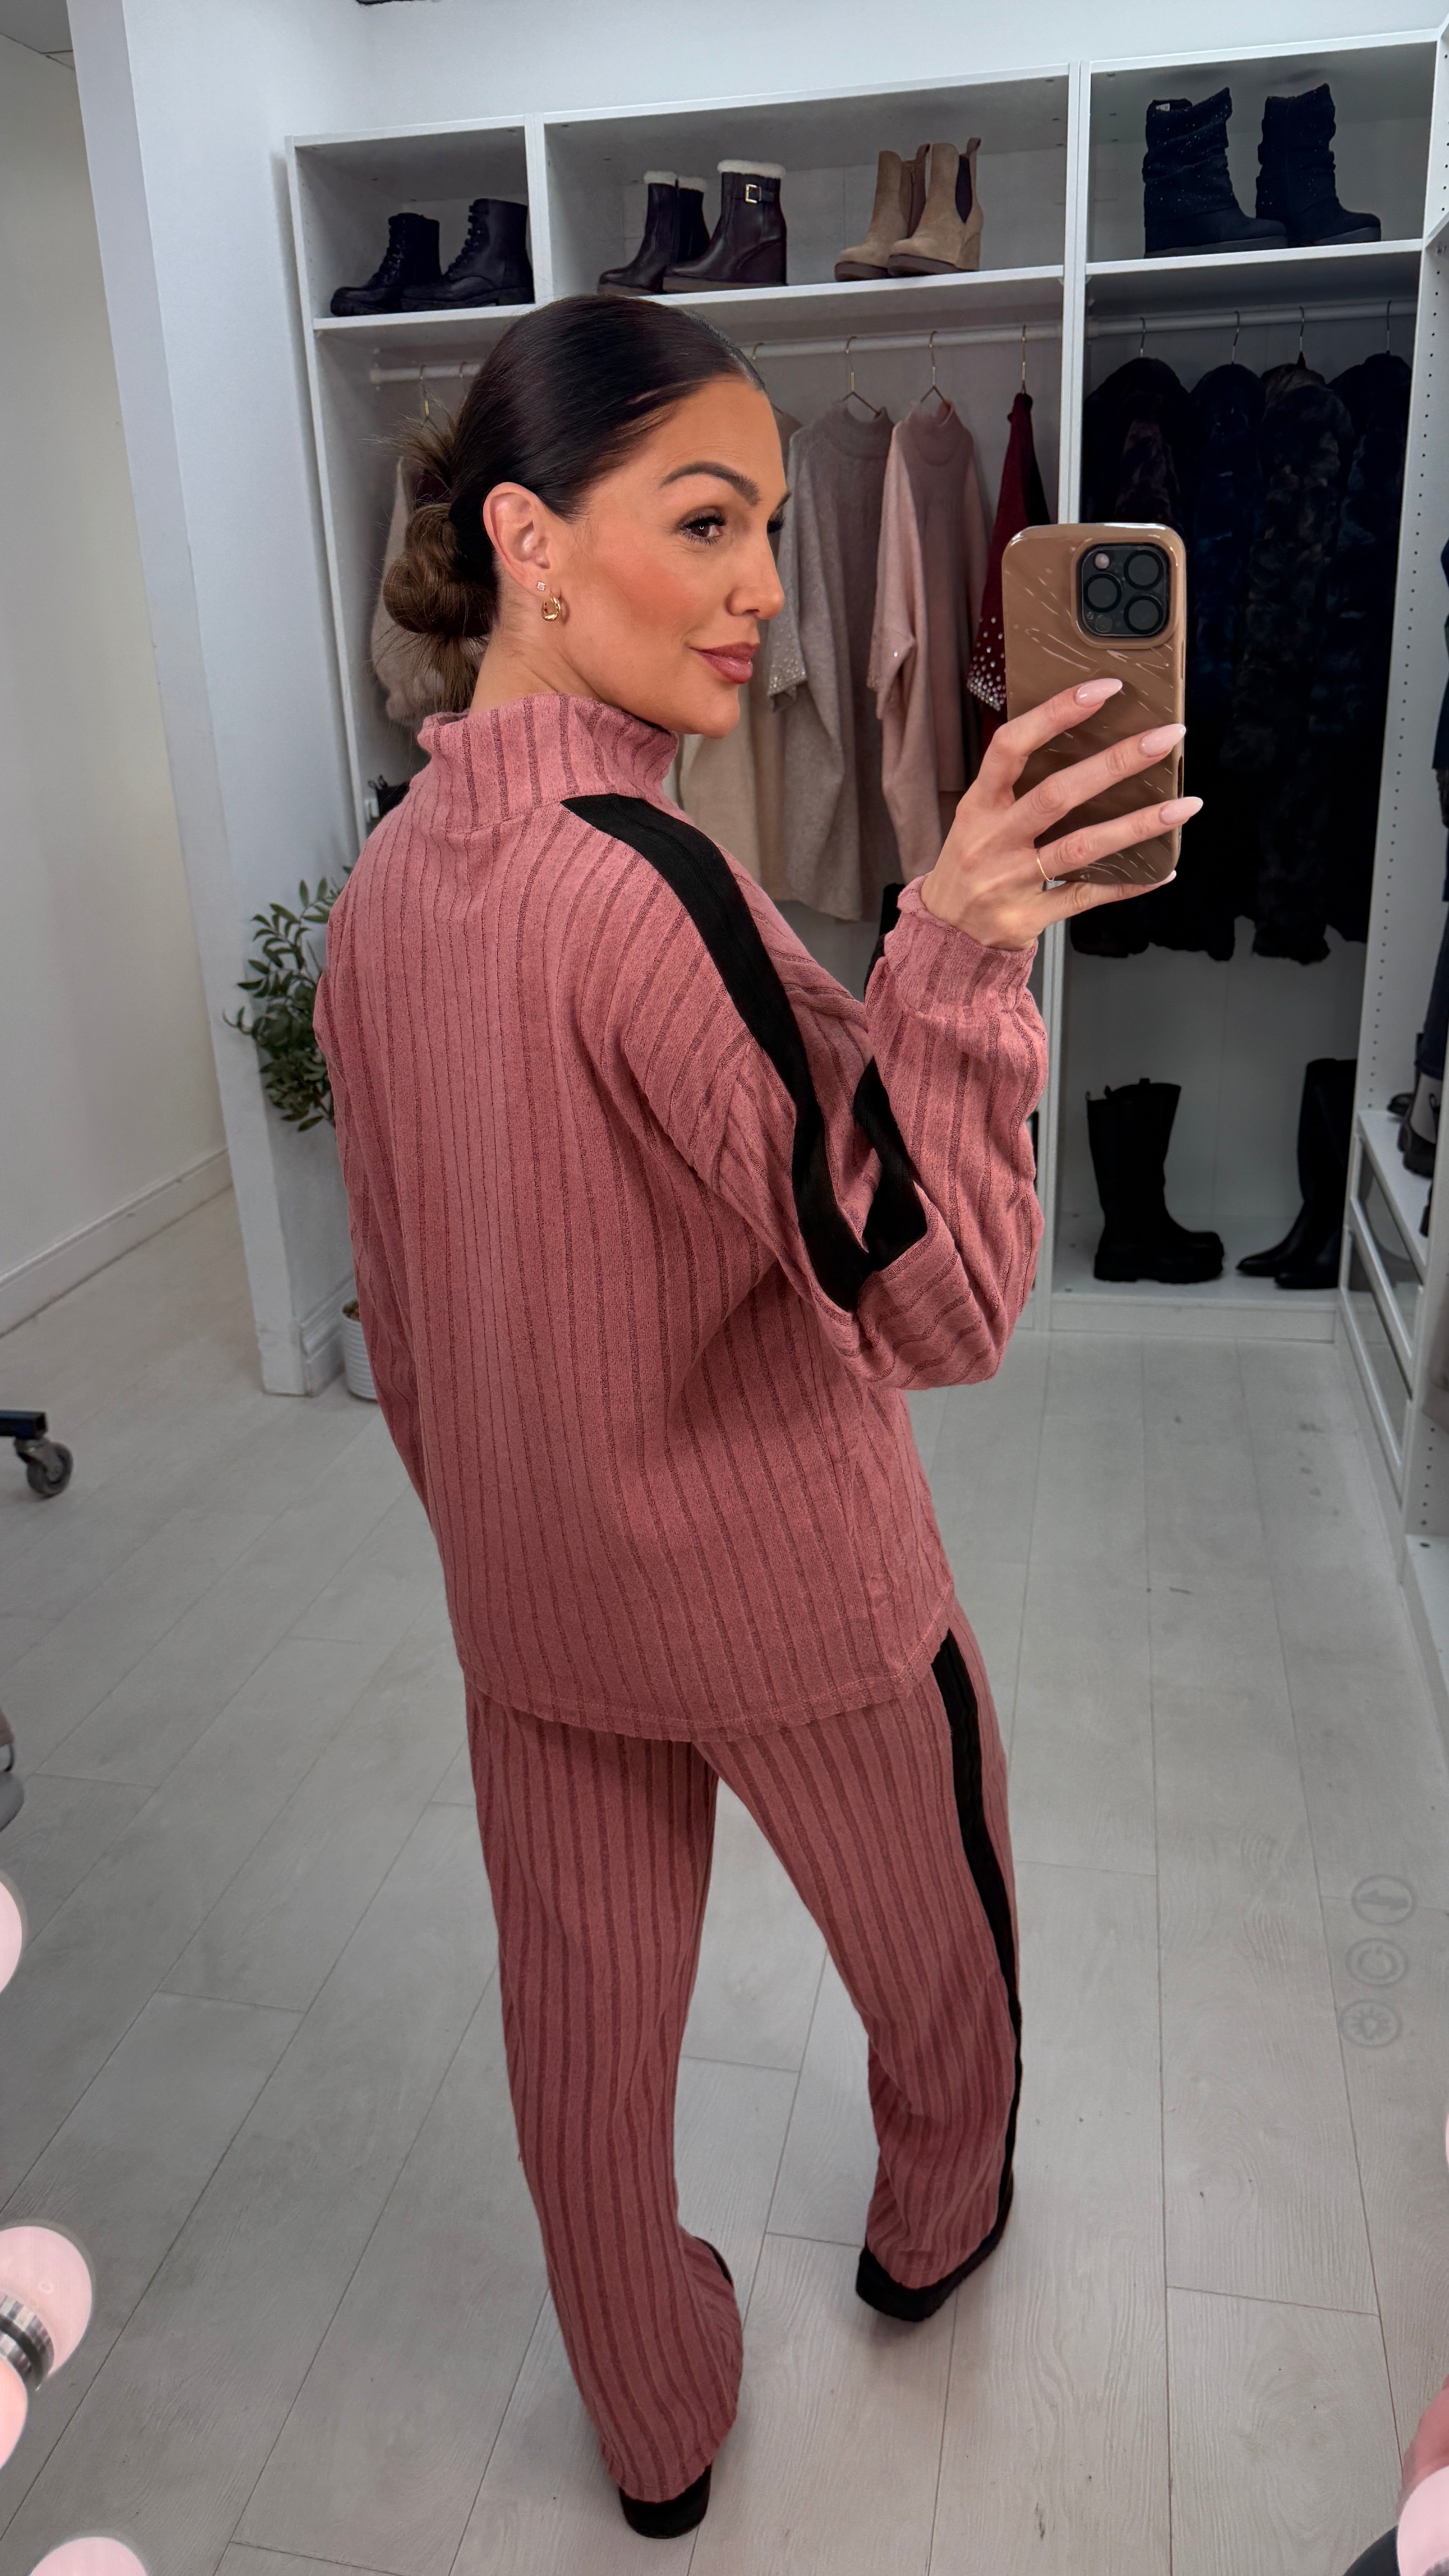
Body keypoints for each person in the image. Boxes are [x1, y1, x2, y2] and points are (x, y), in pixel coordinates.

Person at [314, 294, 1197, 2538]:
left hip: (532, 1614)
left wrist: (520, 1533)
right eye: (707, 522)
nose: (769, 591)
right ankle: (934, 2227)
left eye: (776, 529)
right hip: (797, 1598)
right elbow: (944, 1301)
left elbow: (398, 1321)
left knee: (582, 2053)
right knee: (939, 1949)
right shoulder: (660, 890)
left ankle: (654, 2422)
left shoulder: (379, 895)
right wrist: (963, 947)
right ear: (528, 540)